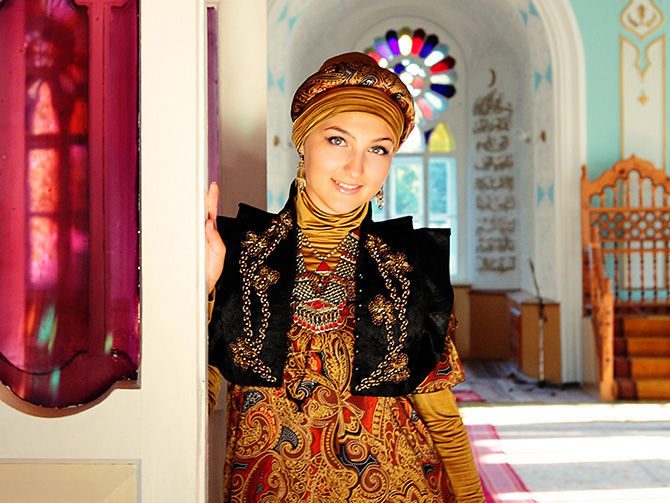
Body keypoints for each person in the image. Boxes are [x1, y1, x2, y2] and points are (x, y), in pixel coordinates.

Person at [206, 52, 484, 502]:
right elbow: (194, 404)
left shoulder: (407, 266)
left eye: (378, 149)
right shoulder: (238, 253)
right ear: (303, 142)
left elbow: (441, 417)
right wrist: (201, 291)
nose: (357, 168)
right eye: (338, 140)